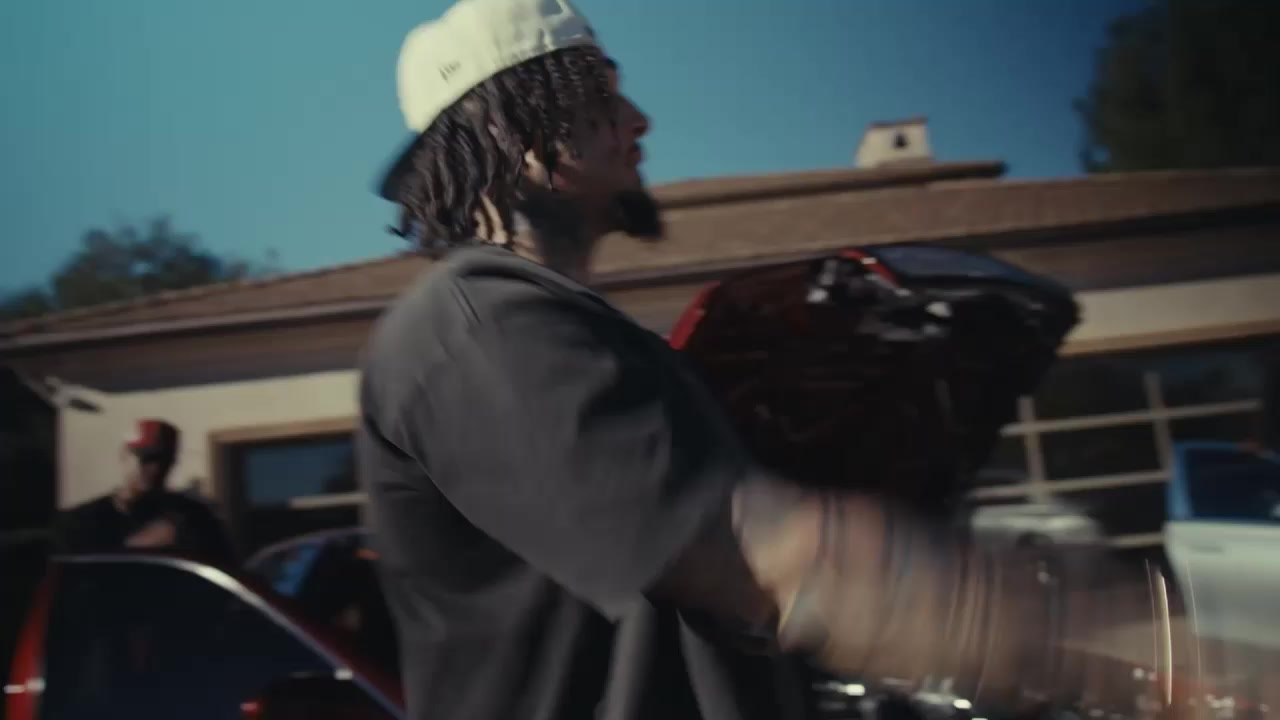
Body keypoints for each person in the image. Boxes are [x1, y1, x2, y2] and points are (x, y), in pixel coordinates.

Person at [359, 2, 1184, 719]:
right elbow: (764, 555)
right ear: (508, 129)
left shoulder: (583, 337)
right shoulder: (472, 329)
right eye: (602, 96)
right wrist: (1091, 645)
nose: (639, 121)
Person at [54, 419, 235, 566]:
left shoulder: (194, 518)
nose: (154, 468)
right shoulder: (82, 521)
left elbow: (223, 571)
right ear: (124, 456)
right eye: (145, 457)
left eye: (163, 459)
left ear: (172, 462)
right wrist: (136, 546)